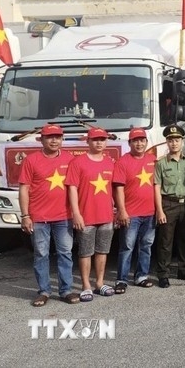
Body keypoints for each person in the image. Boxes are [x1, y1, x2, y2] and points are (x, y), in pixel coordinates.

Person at [18, 124, 79, 307]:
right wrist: (25, 215)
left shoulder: (70, 160)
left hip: (64, 216)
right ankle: (44, 291)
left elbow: (76, 187)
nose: (54, 140)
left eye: (58, 137)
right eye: (50, 137)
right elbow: (24, 189)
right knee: (41, 254)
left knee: (65, 253)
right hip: (39, 217)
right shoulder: (31, 160)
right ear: (41, 140)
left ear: (62, 139)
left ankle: (66, 290)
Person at [66, 127, 116, 302]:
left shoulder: (110, 162)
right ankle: (86, 285)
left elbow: (115, 190)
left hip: (106, 216)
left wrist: (116, 210)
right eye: (95, 139)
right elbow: (72, 189)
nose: (99, 142)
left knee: (103, 250)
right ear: (88, 141)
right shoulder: (77, 162)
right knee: (85, 252)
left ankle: (100, 283)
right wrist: (76, 214)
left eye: (102, 139)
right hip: (86, 216)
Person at [113, 128, 157, 294]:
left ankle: (141, 276)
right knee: (127, 246)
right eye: (135, 141)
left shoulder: (153, 160)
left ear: (146, 142)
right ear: (129, 143)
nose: (139, 144)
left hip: (150, 212)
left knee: (146, 245)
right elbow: (118, 188)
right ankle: (121, 279)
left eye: (142, 140)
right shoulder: (123, 162)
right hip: (131, 213)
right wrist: (121, 211)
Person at [154, 124, 185, 288]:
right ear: (167, 142)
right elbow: (157, 187)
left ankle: (183, 269)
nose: (174, 143)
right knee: (165, 241)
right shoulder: (161, 163)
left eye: (177, 140)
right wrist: (159, 210)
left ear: (182, 142)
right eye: (171, 140)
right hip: (168, 204)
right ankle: (163, 274)